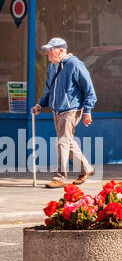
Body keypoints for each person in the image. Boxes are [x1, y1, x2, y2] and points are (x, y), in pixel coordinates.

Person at [30, 37, 96, 188]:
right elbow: (49, 91)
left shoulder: (75, 65)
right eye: (46, 50)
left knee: (62, 142)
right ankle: (86, 168)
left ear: (60, 50)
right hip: (57, 110)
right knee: (67, 141)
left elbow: (89, 90)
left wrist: (87, 111)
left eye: (50, 49)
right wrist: (40, 104)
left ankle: (59, 177)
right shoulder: (51, 68)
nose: (46, 53)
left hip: (71, 109)